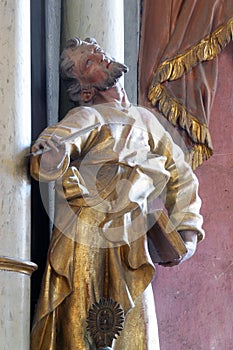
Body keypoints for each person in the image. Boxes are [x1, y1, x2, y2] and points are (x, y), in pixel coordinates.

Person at [30, 37, 204, 350]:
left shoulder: (145, 120)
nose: (100, 56)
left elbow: (180, 173)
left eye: (98, 52)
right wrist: (51, 156)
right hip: (88, 236)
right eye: (89, 61)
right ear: (85, 89)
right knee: (84, 329)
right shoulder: (86, 117)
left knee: (136, 330)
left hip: (132, 241)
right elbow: (53, 149)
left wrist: (187, 227)